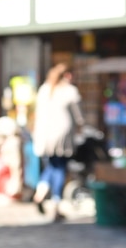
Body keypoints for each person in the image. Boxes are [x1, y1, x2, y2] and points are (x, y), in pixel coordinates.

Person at [32, 63, 85, 221]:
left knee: (51, 166)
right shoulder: (69, 91)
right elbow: (79, 116)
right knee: (60, 168)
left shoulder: (44, 89)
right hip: (62, 136)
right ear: (67, 75)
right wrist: (82, 128)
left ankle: (40, 192)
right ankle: (56, 204)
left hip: (44, 135)